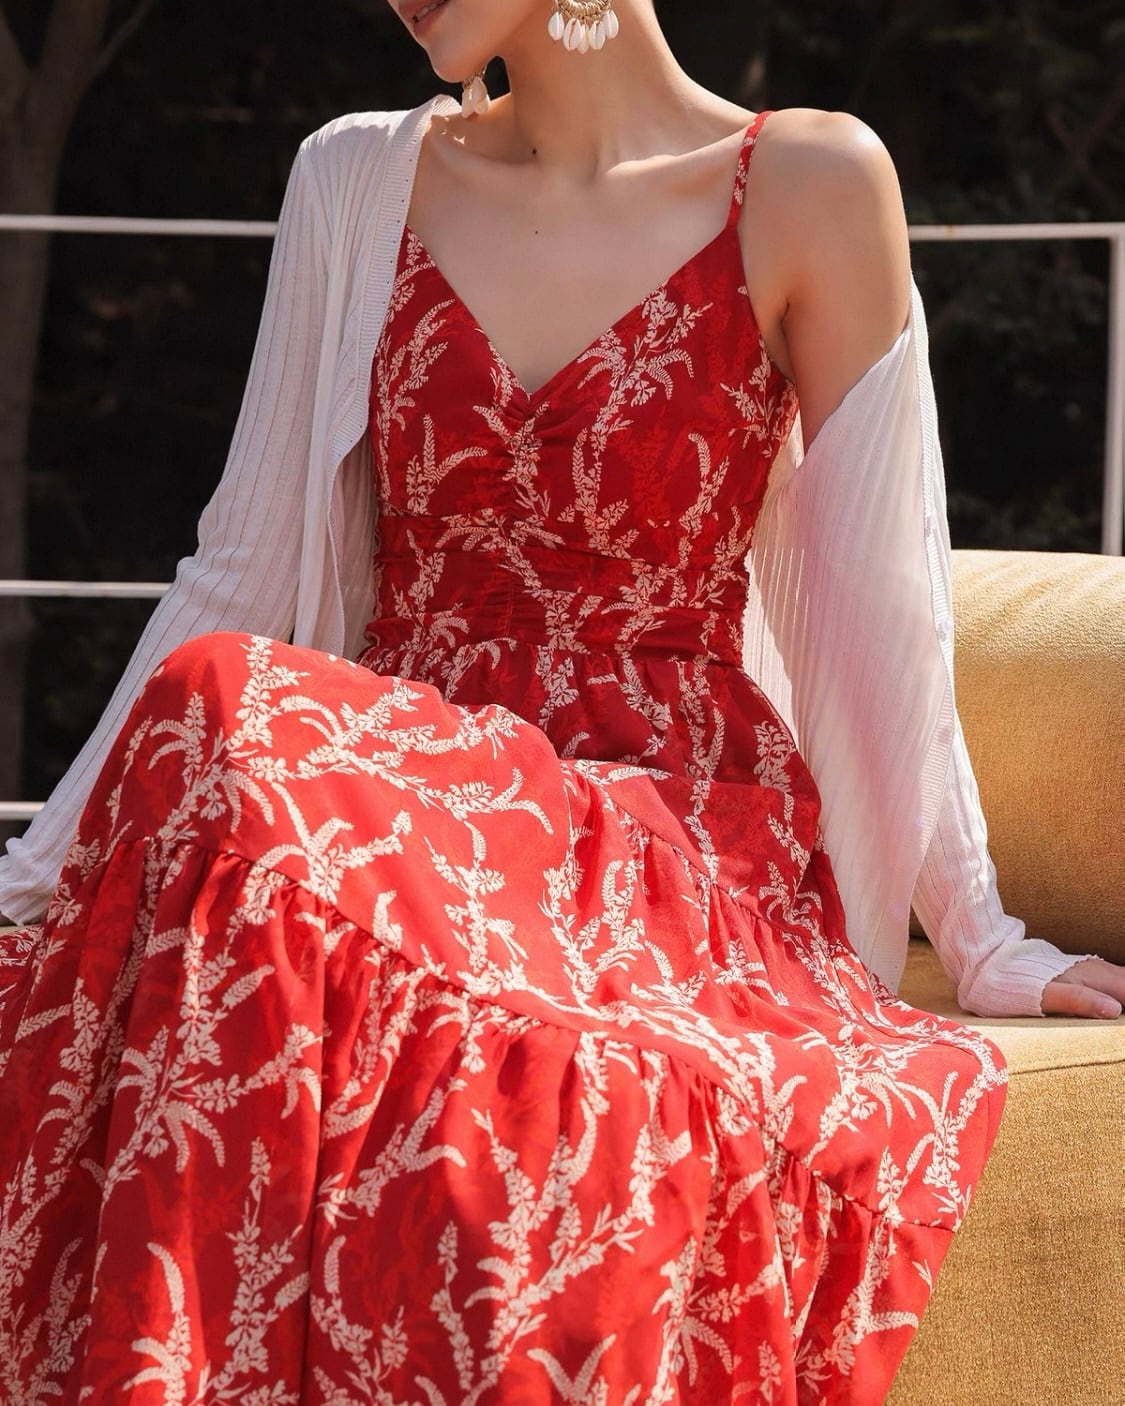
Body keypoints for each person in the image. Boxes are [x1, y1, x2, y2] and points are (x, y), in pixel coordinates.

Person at [1, 0, 1122, 1401]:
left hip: (665, 830)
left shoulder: (810, 182)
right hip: (400, 811)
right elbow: (237, 568)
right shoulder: (355, 176)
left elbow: (883, 607)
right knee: (217, 690)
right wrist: (33, 873)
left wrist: (978, 932)